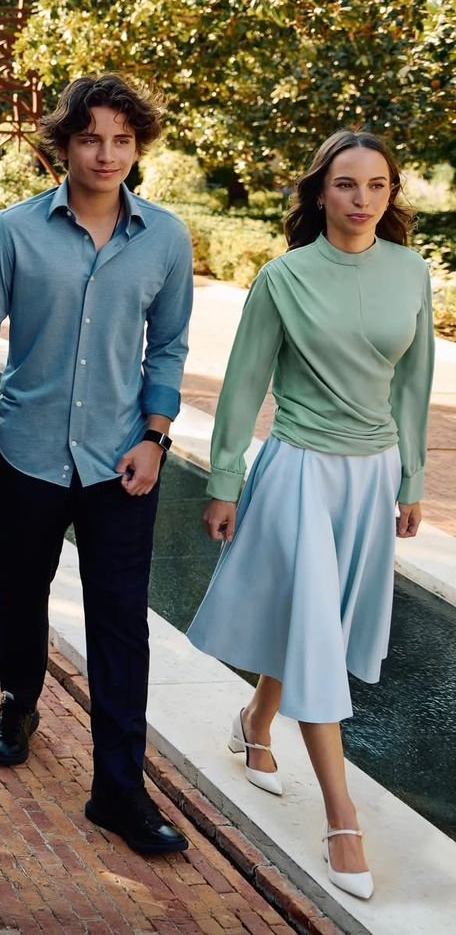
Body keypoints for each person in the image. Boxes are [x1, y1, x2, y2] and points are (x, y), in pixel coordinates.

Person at [187, 131, 433, 901]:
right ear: (320, 191)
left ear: (391, 196)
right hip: (298, 472)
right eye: (346, 184)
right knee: (320, 638)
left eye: (378, 186)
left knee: (319, 620)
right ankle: (341, 817)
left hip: (373, 476)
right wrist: (223, 480)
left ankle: (257, 722)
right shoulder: (283, 279)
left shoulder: (412, 274)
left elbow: (413, 385)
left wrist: (413, 479)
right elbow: (242, 384)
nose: (362, 199)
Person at [0, 74, 194, 856]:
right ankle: (18, 699)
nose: (106, 153)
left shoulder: (165, 238)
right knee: (21, 595)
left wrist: (155, 436)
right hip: (25, 452)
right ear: (65, 143)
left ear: (138, 146)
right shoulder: (16, 230)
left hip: (122, 461)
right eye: (91, 137)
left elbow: (172, 345)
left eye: (122, 140)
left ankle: (119, 789)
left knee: (121, 626)